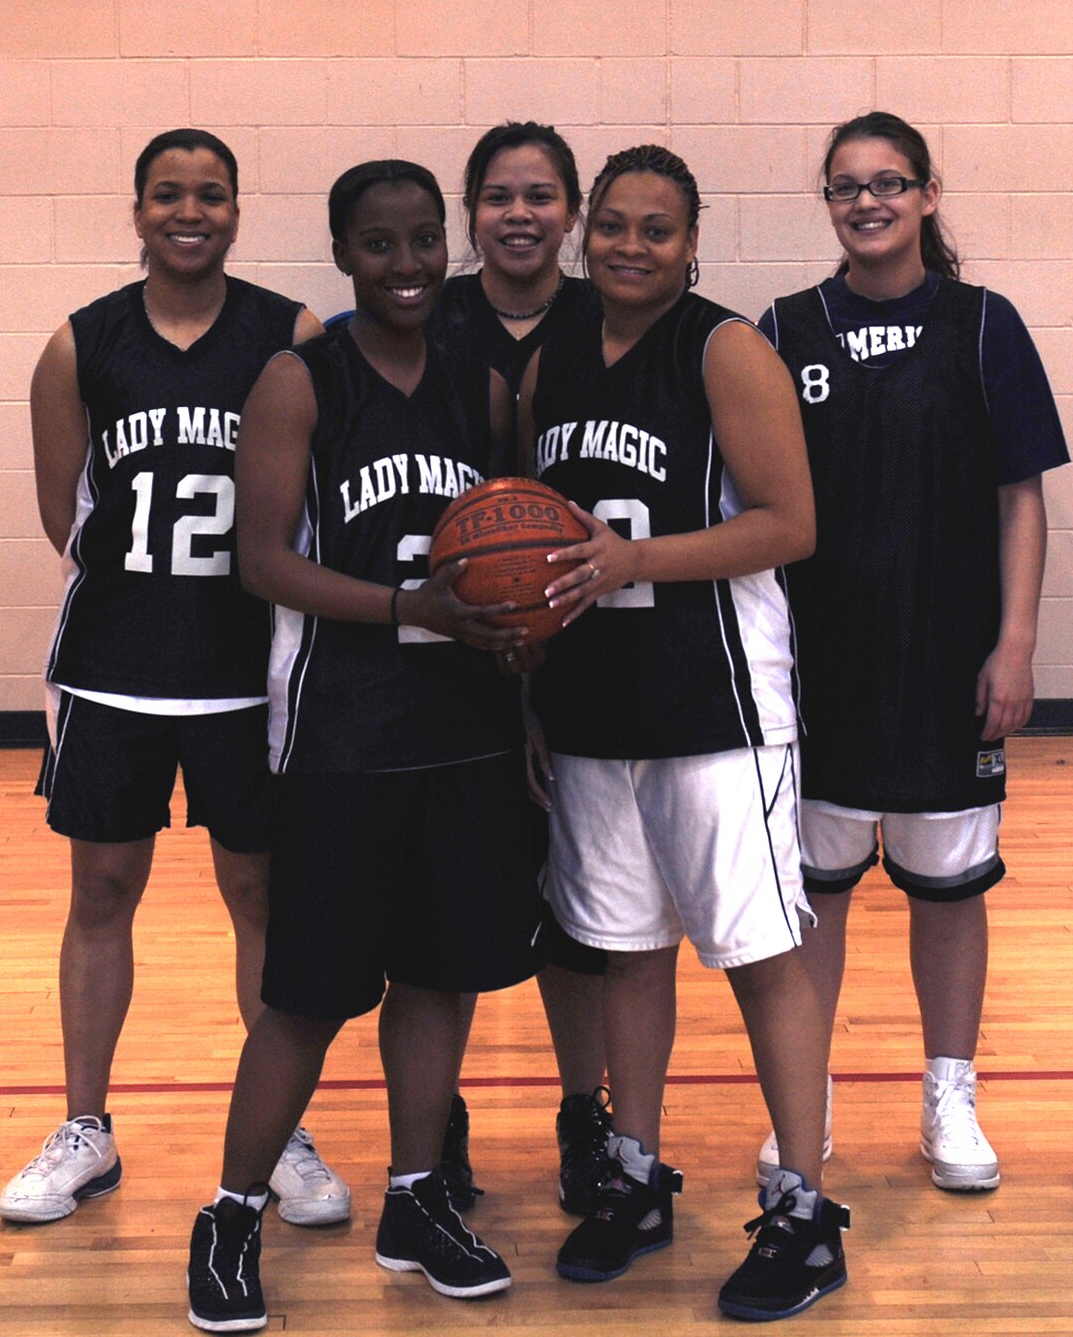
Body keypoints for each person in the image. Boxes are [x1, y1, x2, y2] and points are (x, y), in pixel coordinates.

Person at [183, 160, 541, 1333]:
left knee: (437, 976)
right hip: (340, 732)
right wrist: (405, 609)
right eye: (379, 244)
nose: (406, 264)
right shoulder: (300, 379)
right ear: (343, 254)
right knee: (307, 995)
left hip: (464, 734)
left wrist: (516, 634)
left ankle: (414, 1199)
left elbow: (511, 552)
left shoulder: (483, 390)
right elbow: (261, 562)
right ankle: (231, 1214)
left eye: (423, 239)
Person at [0, 130, 350, 1229]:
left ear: (236, 210)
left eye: (210, 195)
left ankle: (279, 1130)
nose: (188, 212)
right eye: (166, 194)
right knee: (102, 893)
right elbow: (66, 516)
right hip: (116, 665)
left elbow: (313, 500)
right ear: (137, 209)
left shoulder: (289, 333)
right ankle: (85, 1128)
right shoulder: (81, 341)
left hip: (251, 667)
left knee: (261, 898)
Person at [523, 144, 845, 1321]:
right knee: (626, 948)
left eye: (654, 228)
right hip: (591, 707)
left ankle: (803, 1209)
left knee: (757, 952)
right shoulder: (553, 355)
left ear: (691, 241)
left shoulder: (724, 349)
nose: (628, 245)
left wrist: (637, 561)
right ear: (584, 232)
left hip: (715, 707)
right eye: (611, 223)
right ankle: (635, 1175)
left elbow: (791, 524)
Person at [759, 114, 1068, 1194]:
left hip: (947, 666)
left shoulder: (983, 325)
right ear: (827, 203)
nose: (867, 201)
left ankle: (950, 1094)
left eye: (888, 182)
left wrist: (1015, 641)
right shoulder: (783, 328)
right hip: (820, 670)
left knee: (948, 892)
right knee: (814, 898)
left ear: (928, 195)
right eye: (846, 186)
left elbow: (1020, 497)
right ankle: (804, 1100)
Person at [428, 120, 612, 1217]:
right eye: (498, 196)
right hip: (447, 652)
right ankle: (437, 1116)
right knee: (449, 902)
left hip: (584, 648)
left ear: (571, 211)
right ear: (470, 212)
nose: (519, 215)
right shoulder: (427, 315)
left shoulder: (608, 318)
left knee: (578, 909)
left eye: (540, 195)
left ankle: (584, 1110)